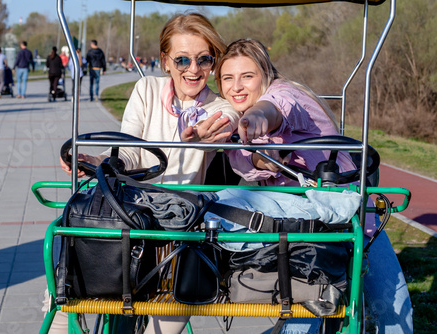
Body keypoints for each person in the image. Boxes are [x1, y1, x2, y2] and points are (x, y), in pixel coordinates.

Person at [49, 13, 241, 333]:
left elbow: (226, 122)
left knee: (172, 309)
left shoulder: (219, 107)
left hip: (178, 227)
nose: (193, 70)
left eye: (204, 59)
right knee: (71, 280)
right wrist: (97, 160)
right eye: (182, 60)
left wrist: (213, 134)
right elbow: (129, 150)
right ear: (165, 61)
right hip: (131, 214)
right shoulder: (147, 89)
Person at [213, 38, 413, 333]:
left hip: (348, 219)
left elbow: (275, 109)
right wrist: (264, 160)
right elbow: (251, 163)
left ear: (266, 76)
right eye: (228, 79)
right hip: (303, 231)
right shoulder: (233, 126)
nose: (237, 87)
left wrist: (257, 118)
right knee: (305, 308)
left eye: (247, 76)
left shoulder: (286, 95)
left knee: (392, 310)